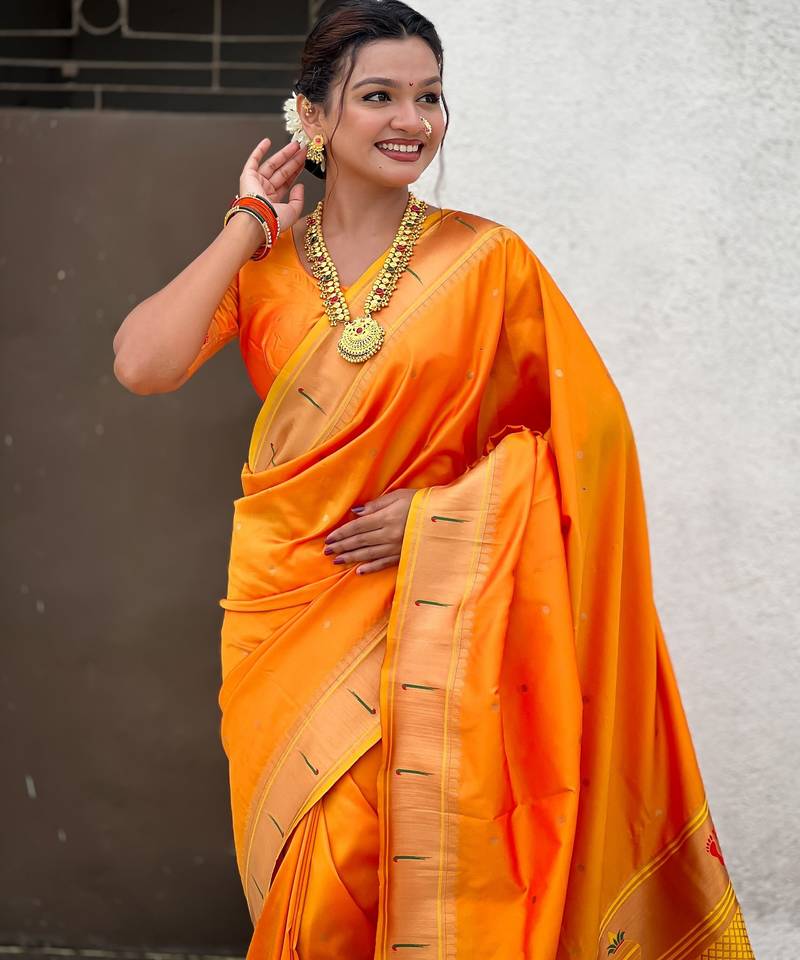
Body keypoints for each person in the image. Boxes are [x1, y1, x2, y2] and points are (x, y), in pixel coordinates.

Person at [113, 2, 755, 957]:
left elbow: (589, 447)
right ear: (312, 116)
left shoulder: (489, 261)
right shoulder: (265, 267)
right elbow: (143, 364)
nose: (411, 120)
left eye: (430, 97)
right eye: (379, 96)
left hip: (443, 613)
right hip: (291, 609)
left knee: (409, 855)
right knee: (315, 879)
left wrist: (444, 514)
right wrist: (247, 223)